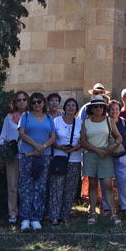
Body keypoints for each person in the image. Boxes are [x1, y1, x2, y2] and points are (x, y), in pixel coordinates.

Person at [80, 94, 122, 225]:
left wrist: (112, 147)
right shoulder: (86, 122)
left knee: (108, 185)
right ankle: (93, 212)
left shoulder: (109, 121)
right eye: (95, 106)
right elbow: (83, 141)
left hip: (106, 154)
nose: (98, 108)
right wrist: (97, 150)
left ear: (104, 108)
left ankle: (113, 213)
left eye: (101, 106)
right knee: (92, 185)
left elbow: (119, 137)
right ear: (91, 108)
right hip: (91, 155)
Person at [17, 92, 56, 231]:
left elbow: (53, 136)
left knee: (40, 186)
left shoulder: (49, 117)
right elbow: (22, 133)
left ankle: (36, 217)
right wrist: (36, 145)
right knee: (26, 186)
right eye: (33, 102)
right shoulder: (25, 116)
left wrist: (43, 146)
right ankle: (25, 218)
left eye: (39, 102)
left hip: (43, 156)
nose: (36, 104)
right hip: (27, 154)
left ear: (43, 103)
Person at [47, 97, 82, 226]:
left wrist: (75, 147)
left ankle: (65, 215)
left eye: (73, 105)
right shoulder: (56, 121)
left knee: (70, 189)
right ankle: (54, 216)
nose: (71, 107)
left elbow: (83, 140)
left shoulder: (80, 122)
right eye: (68, 105)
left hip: (75, 158)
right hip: (59, 157)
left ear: (77, 109)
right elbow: (52, 138)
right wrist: (60, 147)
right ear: (64, 107)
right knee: (56, 187)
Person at [101, 99, 126, 221]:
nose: (114, 111)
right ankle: (107, 208)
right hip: (107, 156)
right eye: (112, 109)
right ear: (108, 110)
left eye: (117, 109)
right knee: (106, 182)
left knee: (122, 182)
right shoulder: (104, 122)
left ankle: (125, 208)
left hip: (121, 156)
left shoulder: (123, 123)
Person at [0, 90, 28, 224]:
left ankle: (26, 213)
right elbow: (2, 136)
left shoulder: (31, 116)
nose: (21, 102)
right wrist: (3, 150)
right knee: (12, 185)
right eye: (18, 100)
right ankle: (12, 213)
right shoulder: (9, 117)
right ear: (14, 102)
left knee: (27, 185)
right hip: (12, 155)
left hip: (28, 155)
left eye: (24, 99)